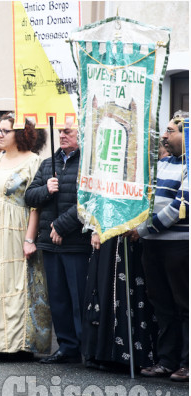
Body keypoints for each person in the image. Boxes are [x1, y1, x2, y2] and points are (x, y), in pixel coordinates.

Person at [0, 113, 51, 361]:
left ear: (21, 134)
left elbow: (36, 204)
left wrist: (29, 238)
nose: (0, 135)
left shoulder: (33, 162)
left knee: (16, 286)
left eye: (6, 131)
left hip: (16, 229)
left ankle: (18, 344)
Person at [24, 116, 90, 364]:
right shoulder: (47, 164)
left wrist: (62, 225)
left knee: (78, 297)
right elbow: (30, 197)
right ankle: (66, 346)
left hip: (75, 242)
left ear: (81, 134)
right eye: (60, 132)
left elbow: (88, 201)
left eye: (68, 132)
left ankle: (86, 347)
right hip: (49, 245)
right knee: (58, 298)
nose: (62, 135)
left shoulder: (87, 164)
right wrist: (46, 189)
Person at [132, 112, 189, 382]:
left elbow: (180, 209)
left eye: (171, 131)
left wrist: (142, 229)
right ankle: (166, 361)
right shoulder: (162, 165)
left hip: (178, 247)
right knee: (162, 305)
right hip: (152, 245)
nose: (164, 136)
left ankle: (187, 363)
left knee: (184, 305)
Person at [81, 233, 158, 372]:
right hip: (106, 235)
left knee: (128, 291)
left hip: (131, 236)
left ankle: (127, 356)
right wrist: (95, 229)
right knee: (102, 288)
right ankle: (100, 353)